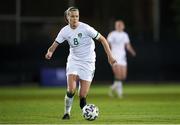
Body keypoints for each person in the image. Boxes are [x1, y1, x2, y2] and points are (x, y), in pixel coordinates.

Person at [45, 7, 116, 120]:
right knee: (71, 89)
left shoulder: (86, 28)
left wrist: (110, 56)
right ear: (67, 17)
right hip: (74, 60)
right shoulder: (64, 31)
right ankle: (66, 113)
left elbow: (103, 39)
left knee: (82, 95)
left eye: (76, 16)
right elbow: (54, 44)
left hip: (88, 62)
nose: (75, 19)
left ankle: (84, 108)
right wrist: (50, 52)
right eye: (72, 16)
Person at [107, 20, 136, 98]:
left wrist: (132, 52)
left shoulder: (125, 35)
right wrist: (109, 55)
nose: (119, 26)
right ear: (115, 26)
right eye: (118, 25)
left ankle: (112, 88)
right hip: (114, 57)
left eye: (121, 25)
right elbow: (107, 44)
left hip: (122, 57)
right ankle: (120, 94)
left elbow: (128, 46)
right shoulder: (112, 34)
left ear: (123, 26)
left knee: (123, 76)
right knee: (118, 75)